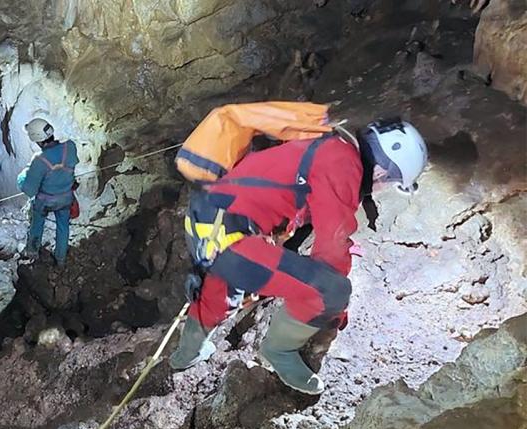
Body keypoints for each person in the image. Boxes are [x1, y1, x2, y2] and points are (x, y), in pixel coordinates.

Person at [169, 117, 428, 395]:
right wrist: (332, 312)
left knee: (221, 289)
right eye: (388, 183)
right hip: (231, 241)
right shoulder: (343, 164)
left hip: (204, 222)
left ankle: (187, 352)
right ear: (381, 172)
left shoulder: (324, 140)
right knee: (331, 290)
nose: (380, 188)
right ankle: (278, 351)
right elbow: (332, 246)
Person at [17, 118, 79, 267]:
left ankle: (32, 252)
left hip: (45, 202)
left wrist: (24, 174)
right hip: (66, 198)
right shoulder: (69, 147)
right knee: (63, 227)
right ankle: (61, 260)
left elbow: (28, 189)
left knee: (37, 224)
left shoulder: (39, 160)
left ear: (37, 140)